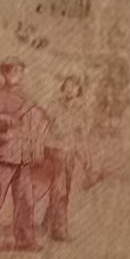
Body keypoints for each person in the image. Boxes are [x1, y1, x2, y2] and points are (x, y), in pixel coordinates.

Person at [0, 61, 42, 249]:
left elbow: (31, 126)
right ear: (4, 73)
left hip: (23, 152)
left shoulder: (26, 96)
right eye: (14, 70)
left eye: (20, 71)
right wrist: (15, 116)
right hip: (4, 152)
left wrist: (33, 148)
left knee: (26, 198)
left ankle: (24, 239)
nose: (18, 74)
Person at [43, 74, 90, 242]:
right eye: (67, 85)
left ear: (79, 90)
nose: (70, 89)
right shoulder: (54, 106)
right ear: (63, 88)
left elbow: (82, 135)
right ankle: (60, 229)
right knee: (60, 189)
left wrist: (85, 156)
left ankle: (48, 223)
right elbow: (43, 127)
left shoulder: (81, 110)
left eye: (74, 86)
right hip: (55, 151)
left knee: (64, 189)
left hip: (70, 152)